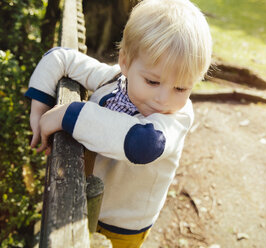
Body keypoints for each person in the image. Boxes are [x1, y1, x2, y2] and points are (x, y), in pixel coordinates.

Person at [25, 0, 212, 247]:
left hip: (123, 225)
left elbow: (142, 144)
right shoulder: (115, 79)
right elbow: (60, 58)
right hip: (82, 197)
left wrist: (68, 114)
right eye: (152, 82)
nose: (163, 99)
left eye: (181, 88)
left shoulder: (175, 119)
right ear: (125, 62)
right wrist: (39, 107)